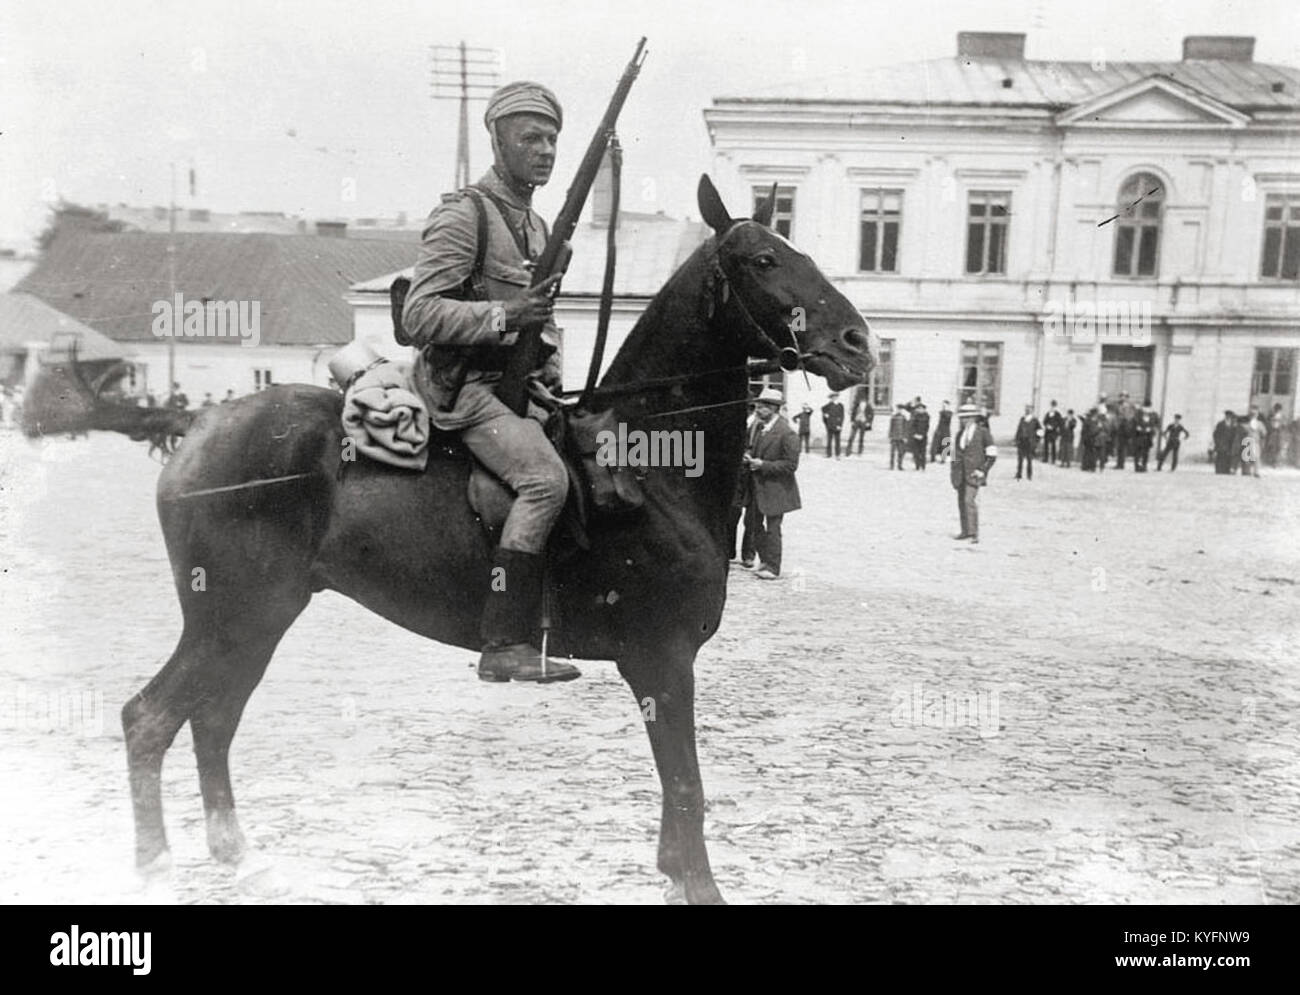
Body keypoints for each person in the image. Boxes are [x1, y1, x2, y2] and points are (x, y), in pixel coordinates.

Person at [402, 80, 578, 684]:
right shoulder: (464, 214)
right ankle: (504, 642)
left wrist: (549, 375)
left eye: (553, 138)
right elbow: (419, 315)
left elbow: (543, 324)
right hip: (465, 390)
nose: (546, 149)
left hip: (516, 389)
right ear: (497, 139)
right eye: (531, 137)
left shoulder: (536, 225)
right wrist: (504, 316)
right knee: (544, 482)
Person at [744, 388, 801, 579]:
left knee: (773, 528)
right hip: (757, 487)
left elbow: (791, 465)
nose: (757, 410)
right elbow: (756, 451)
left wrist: (763, 465)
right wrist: (749, 457)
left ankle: (773, 568)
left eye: (762, 407)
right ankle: (764, 561)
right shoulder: (760, 428)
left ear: (773, 408)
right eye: (757, 406)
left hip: (776, 489)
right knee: (754, 526)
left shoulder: (787, 433)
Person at [951, 403, 997, 543]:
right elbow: (953, 453)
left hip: (974, 473)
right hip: (960, 473)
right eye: (961, 418)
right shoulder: (959, 434)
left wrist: (982, 470)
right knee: (961, 502)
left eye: (965, 418)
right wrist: (952, 468)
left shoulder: (983, 432)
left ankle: (974, 533)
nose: (962, 420)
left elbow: (992, 455)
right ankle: (965, 531)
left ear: (973, 418)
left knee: (969, 500)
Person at [1013, 404, 1041, 480]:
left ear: (1032, 411)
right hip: (1021, 441)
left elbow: (1040, 431)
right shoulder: (1022, 419)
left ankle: (1029, 475)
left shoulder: (1035, 420)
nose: (1027, 411)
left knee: (1029, 459)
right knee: (1020, 459)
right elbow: (1018, 430)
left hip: (1030, 442)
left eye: (1029, 409)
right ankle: (1019, 474)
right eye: (1026, 409)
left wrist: (1036, 441)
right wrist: (1016, 439)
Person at [1240, 407, 1266, 478]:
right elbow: (1241, 433)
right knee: (1246, 459)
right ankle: (1246, 472)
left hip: (1255, 442)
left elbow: (1264, 433)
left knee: (1256, 458)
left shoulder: (1260, 424)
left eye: (1255, 414)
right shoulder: (1245, 424)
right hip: (1247, 442)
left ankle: (1256, 472)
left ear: (1257, 415)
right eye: (1251, 414)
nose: (1253, 415)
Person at [1132, 402, 1157, 472]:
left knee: (1145, 453)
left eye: (1148, 408)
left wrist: (1151, 429)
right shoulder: (1138, 414)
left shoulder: (1153, 415)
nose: (1146, 410)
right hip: (1139, 436)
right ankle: (1137, 467)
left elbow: (1156, 425)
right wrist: (1137, 427)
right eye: (1145, 408)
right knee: (1138, 452)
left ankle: (1144, 466)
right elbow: (1134, 422)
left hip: (1148, 437)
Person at [821, 391, 844, 458]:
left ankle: (838, 454)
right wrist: (825, 416)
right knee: (829, 440)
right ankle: (828, 454)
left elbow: (842, 416)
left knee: (837, 440)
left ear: (837, 397)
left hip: (837, 425)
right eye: (832, 397)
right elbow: (822, 409)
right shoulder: (829, 405)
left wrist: (840, 425)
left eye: (835, 397)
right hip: (830, 425)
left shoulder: (840, 406)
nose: (834, 398)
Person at [888, 402, 909, 470]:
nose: (899, 410)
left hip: (901, 438)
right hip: (894, 437)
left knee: (901, 452)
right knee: (892, 453)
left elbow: (906, 428)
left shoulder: (904, 418)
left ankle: (900, 465)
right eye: (898, 409)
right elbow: (891, 427)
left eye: (900, 409)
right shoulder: (893, 417)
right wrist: (890, 436)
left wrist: (905, 437)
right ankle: (891, 465)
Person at [909, 401, 930, 470]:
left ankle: (923, 466)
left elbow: (927, 427)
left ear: (924, 409)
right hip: (915, 437)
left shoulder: (927, 417)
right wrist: (914, 434)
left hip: (923, 437)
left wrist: (922, 435)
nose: (920, 410)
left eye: (922, 408)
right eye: (919, 408)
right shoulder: (915, 416)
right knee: (916, 452)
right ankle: (917, 466)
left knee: (923, 452)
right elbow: (912, 426)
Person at [1042, 400, 1063, 464]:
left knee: (1053, 445)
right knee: (1046, 445)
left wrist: (1054, 427)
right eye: (1051, 406)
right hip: (1048, 432)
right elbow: (1044, 421)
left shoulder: (1058, 414)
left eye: (1054, 406)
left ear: (1055, 407)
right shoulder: (1048, 413)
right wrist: (1047, 425)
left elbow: (1060, 422)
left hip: (1054, 432)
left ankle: (1053, 459)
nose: (1052, 407)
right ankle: (1045, 458)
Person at [1265, 403, 1285, 467]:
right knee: (1271, 446)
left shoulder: (1282, 416)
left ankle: (1276, 461)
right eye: (1276, 409)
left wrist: (1281, 428)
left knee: (1278, 447)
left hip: (1279, 433)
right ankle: (1271, 461)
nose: (1277, 410)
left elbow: (1284, 425)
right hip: (1272, 432)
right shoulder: (1271, 415)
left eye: (1278, 409)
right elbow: (1267, 423)